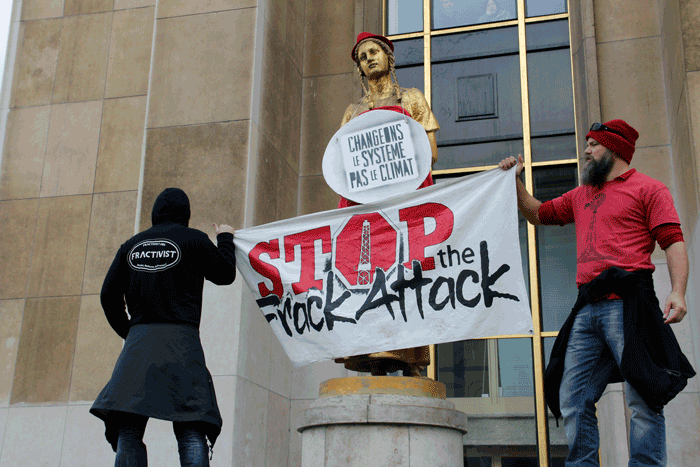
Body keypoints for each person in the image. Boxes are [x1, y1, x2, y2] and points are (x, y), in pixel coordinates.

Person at [499, 119, 695, 466]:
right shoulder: (581, 195)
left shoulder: (649, 189)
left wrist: (678, 292)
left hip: (629, 303)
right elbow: (537, 214)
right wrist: (514, 182)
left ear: (615, 149)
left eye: (593, 144)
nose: (586, 151)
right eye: (587, 144)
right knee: (573, 398)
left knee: (642, 399)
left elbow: (673, 241)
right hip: (588, 306)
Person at [90, 188, 237, 467]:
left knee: (129, 429)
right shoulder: (194, 240)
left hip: (139, 346)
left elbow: (108, 296)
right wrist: (225, 239)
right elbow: (225, 274)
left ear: (154, 213)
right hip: (182, 344)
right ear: (186, 214)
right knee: (191, 427)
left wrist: (130, 332)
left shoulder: (131, 245)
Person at [334, 32, 440, 377]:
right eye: (362, 56)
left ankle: (410, 358)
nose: (369, 58)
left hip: (403, 206)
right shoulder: (352, 112)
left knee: (406, 275)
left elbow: (430, 152)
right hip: (366, 214)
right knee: (365, 279)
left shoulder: (412, 99)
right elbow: (341, 164)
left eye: (374, 51)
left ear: (388, 57)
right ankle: (372, 356)